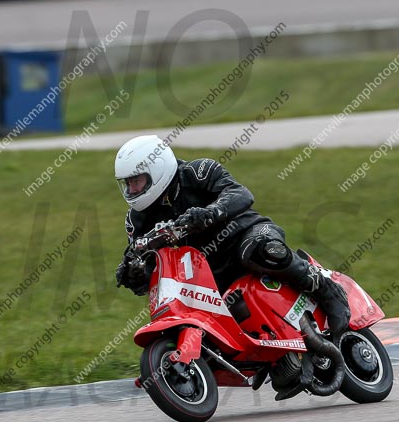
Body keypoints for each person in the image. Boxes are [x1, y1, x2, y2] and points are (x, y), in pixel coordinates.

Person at [114, 135, 351, 342]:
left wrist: (209, 213)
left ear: (157, 171)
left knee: (260, 250)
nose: (132, 190)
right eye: (128, 184)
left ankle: (326, 290)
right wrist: (136, 274)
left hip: (246, 235)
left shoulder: (198, 172)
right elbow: (143, 264)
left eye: (137, 181)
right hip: (205, 274)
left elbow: (241, 194)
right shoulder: (137, 219)